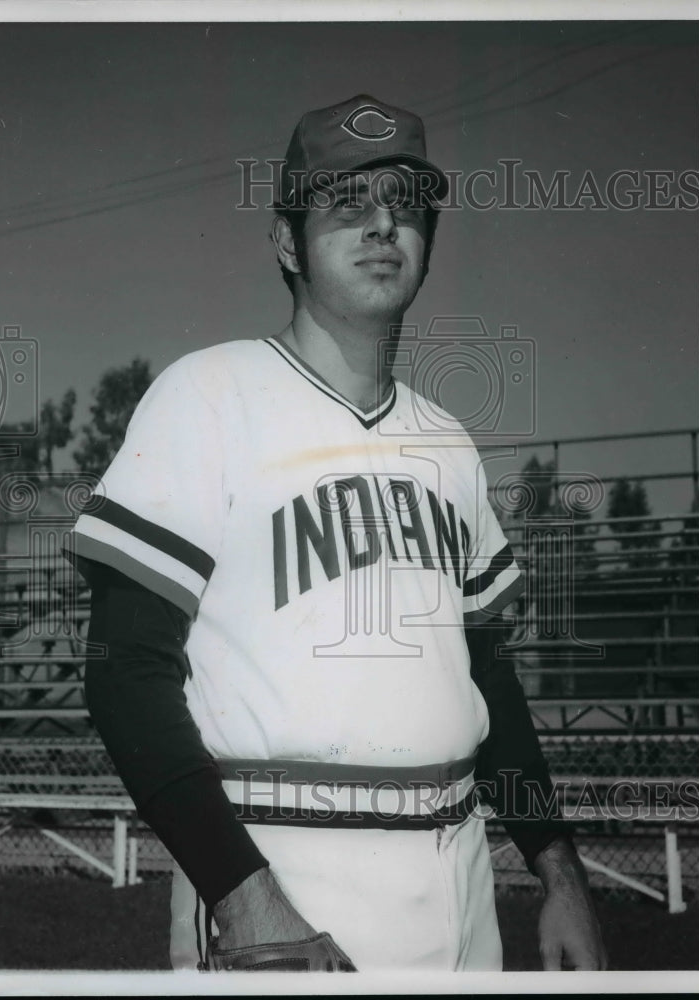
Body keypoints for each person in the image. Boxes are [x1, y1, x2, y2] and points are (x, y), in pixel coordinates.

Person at [65, 94, 606, 973]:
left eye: (405, 206)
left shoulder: (448, 443)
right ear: (287, 244)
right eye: (346, 205)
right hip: (284, 863)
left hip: (464, 873)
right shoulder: (208, 395)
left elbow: (490, 684)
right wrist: (242, 895)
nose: (383, 224)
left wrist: (559, 876)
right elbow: (125, 673)